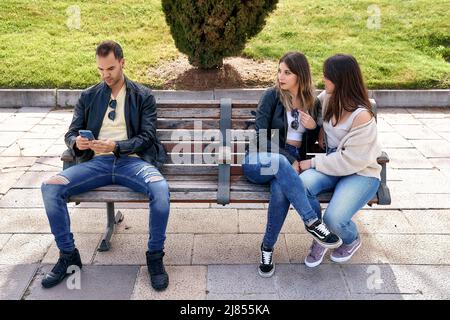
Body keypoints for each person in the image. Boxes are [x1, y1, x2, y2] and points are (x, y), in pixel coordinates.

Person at [40, 40, 170, 291]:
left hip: (132, 162)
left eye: (110, 68)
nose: (105, 75)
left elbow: (148, 137)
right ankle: (69, 256)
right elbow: (70, 133)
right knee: (49, 187)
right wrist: (77, 142)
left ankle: (155, 257)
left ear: (122, 63)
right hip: (96, 164)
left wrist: (117, 147)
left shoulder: (143, 95)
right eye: (100, 70)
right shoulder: (89, 96)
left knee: (161, 191)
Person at [242, 51, 342, 278]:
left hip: (289, 165)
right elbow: (260, 136)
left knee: (281, 189)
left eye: (287, 72)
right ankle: (312, 221)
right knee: (279, 163)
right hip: (260, 159)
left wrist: (312, 128)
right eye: (279, 71)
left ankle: (267, 248)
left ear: (300, 75)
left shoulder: (312, 103)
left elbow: (317, 143)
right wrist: (290, 159)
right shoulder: (271, 96)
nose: (281, 76)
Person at [300, 54, 382, 268]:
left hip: (360, 172)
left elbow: (350, 160)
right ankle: (322, 235)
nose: (323, 80)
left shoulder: (362, 116)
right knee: (301, 185)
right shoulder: (327, 98)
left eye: (327, 77)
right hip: (333, 165)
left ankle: (350, 239)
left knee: (334, 218)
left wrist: (313, 163)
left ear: (341, 81)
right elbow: (308, 110)